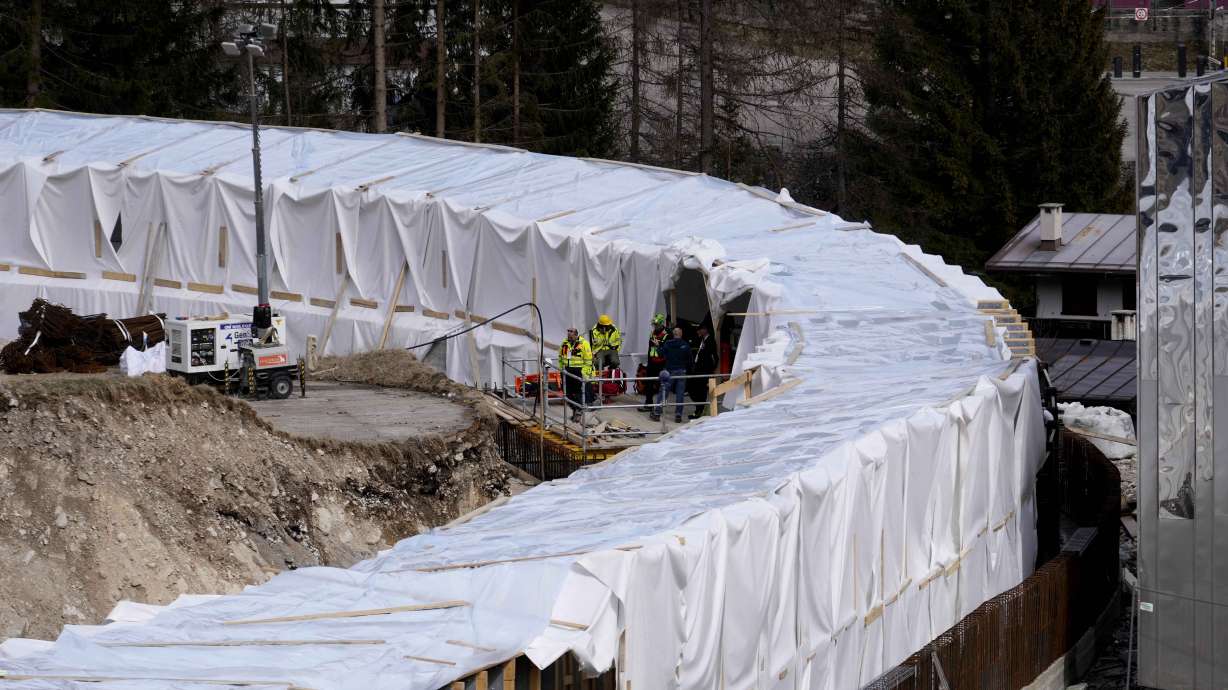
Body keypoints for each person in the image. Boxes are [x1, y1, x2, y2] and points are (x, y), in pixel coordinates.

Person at [652, 326, 691, 423]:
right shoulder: (685, 345)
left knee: (663, 392)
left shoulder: (668, 344)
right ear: (681, 334)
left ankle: (657, 413)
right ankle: (678, 415)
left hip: (669, 371)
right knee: (680, 394)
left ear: (673, 334)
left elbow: (660, 354)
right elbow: (690, 360)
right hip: (682, 371)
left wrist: (657, 345)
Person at [557, 327, 593, 423]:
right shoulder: (564, 343)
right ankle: (577, 409)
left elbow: (588, 360)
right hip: (566, 371)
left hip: (578, 371)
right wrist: (561, 369)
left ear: (576, 334)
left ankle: (578, 412)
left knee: (578, 393)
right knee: (567, 394)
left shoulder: (584, 344)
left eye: (571, 332)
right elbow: (560, 357)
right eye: (568, 332)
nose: (569, 334)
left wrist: (584, 373)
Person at [638, 313, 669, 412]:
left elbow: (667, 349)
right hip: (652, 362)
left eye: (656, 325)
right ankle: (648, 404)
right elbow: (650, 347)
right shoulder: (653, 333)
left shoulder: (667, 334)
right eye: (654, 325)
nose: (655, 327)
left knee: (662, 385)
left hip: (662, 363)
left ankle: (660, 407)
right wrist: (648, 361)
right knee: (649, 384)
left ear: (661, 324)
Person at [688, 325, 718, 419]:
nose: (698, 332)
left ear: (705, 330)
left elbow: (715, 357)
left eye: (700, 330)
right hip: (698, 370)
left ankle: (699, 411)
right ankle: (699, 409)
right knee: (693, 389)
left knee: (700, 391)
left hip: (704, 371)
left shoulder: (710, 341)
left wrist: (711, 370)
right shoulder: (702, 340)